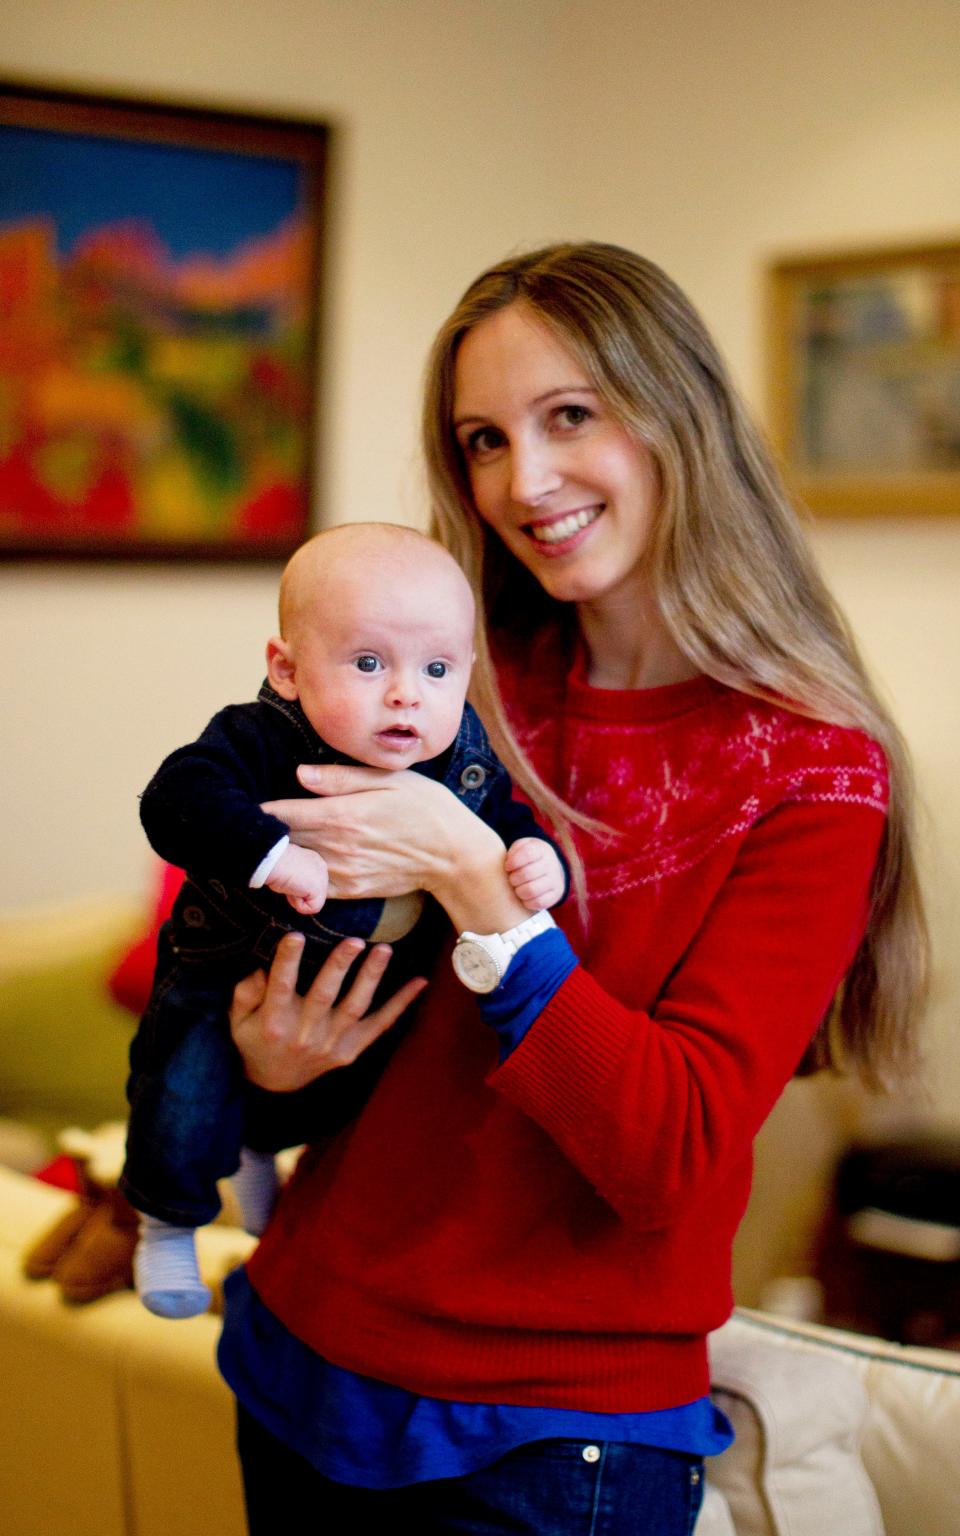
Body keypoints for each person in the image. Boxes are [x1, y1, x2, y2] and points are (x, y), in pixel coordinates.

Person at [218, 243, 927, 1535]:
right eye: (483, 441)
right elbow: (344, 1050)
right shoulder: (447, 682)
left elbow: (670, 1154)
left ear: (680, 416)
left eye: (569, 417)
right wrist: (274, 1069)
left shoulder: (815, 771)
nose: (523, 483)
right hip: (298, 1354)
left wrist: (471, 878)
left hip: (555, 1448)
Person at [122, 523, 568, 1319]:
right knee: (183, 1092)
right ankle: (166, 1224)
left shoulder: (459, 752)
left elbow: (505, 817)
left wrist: (536, 857)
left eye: (436, 669)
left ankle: (262, 1154)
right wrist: (269, 855)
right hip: (226, 962)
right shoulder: (257, 738)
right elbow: (174, 801)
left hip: (366, 986)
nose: (406, 694)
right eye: (369, 664)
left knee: (345, 1091)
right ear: (287, 670)